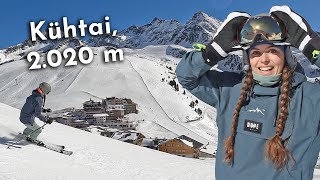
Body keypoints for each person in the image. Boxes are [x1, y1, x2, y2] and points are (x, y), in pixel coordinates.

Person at [176, 5, 320, 180]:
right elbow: (186, 76)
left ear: (286, 56)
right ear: (247, 59)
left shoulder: (310, 98)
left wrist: (309, 45)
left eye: (273, 51)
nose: (264, 60)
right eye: (256, 53)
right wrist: (213, 51)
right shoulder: (230, 89)